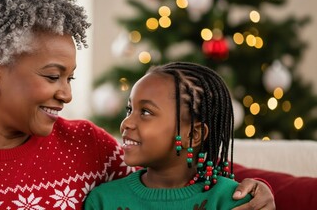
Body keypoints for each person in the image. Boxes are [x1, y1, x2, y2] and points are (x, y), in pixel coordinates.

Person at [0, 0, 274, 210]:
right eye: (53, 77)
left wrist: (255, 188)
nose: (66, 95)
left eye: (70, 78)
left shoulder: (87, 146)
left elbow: (175, 172)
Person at [84, 62, 258, 209]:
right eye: (129, 110)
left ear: (193, 134)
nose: (126, 123)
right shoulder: (103, 200)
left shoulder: (232, 199)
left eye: (145, 112)